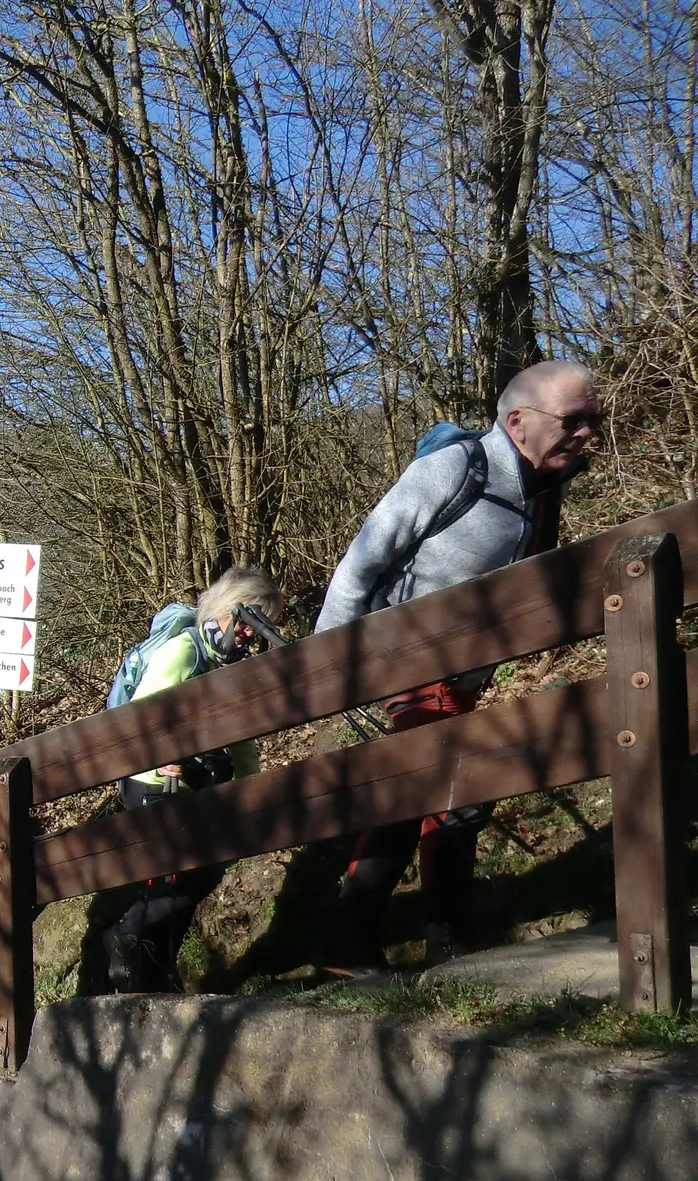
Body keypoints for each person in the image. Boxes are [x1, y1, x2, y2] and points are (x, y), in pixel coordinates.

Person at [316, 359, 602, 966]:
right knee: (444, 788)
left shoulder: (544, 492)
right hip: (403, 660)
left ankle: (415, 939)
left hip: (467, 674)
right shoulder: (453, 469)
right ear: (518, 420)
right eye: (573, 420)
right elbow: (361, 563)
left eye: (592, 422)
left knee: (443, 794)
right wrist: (326, 669)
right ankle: (390, 938)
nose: (586, 435)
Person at [101, 568, 287, 992]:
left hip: (193, 785)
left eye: (260, 625)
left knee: (195, 874)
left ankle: (153, 968)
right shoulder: (184, 650)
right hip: (152, 780)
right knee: (180, 875)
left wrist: (251, 787)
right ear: (226, 610)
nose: (250, 634)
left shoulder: (227, 665)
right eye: (248, 619)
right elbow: (140, 716)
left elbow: (240, 735)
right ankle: (127, 940)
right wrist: (157, 755)